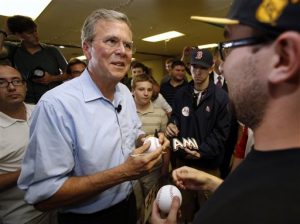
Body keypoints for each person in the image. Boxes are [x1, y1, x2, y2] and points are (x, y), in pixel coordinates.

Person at [152, 0, 300, 223]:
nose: (223, 67)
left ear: (284, 58)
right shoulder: (270, 168)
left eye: (231, 46)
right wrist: (216, 185)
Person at [17, 9, 169, 224]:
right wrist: (124, 173)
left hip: (128, 205)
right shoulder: (57, 105)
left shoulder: (125, 93)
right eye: (111, 41)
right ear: (87, 49)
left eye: (128, 45)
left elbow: (133, 132)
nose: (122, 51)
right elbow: (43, 196)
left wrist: (148, 141)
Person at [165, 48, 231, 223]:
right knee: (183, 210)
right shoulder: (181, 94)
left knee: (210, 212)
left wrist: (200, 151)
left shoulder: (222, 98)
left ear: (211, 68)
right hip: (183, 164)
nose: (197, 72)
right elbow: (176, 117)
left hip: (208, 166)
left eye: (202, 67)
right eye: (194, 67)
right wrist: (172, 124)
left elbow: (221, 134)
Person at [0, 64, 56, 224]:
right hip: (22, 215)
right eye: (1, 83)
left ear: (25, 86)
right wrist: (29, 171)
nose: (11, 87)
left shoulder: (43, 110)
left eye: (16, 81)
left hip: (60, 203)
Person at [0, 15, 68, 104]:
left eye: (35, 31)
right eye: (30, 33)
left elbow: (70, 74)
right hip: (26, 103)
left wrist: (52, 78)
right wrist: (4, 31)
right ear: (19, 35)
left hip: (54, 101)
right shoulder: (13, 50)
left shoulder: (52, 50)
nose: (36, 35)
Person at [132, 73, 169, 223]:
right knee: (134, 207)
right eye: (141, 89)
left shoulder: (160, 114)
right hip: (130, 169)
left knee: (152, 206)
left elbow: (166, 143)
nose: (146, 93)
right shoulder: (124, 113)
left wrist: (165, 168)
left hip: (153, 169)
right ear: (132, 90)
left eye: (149, 89)